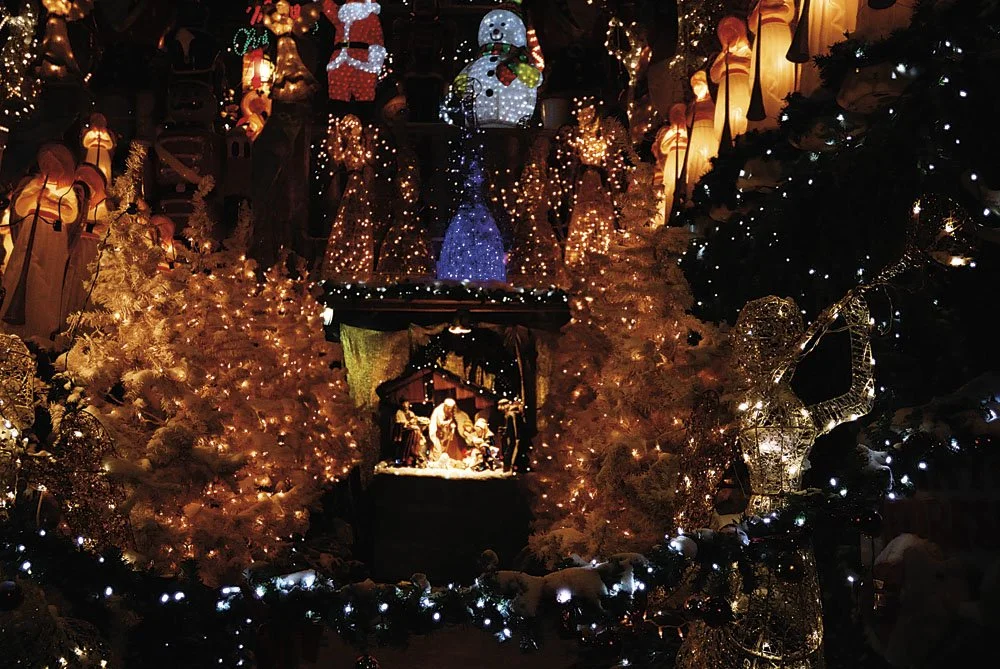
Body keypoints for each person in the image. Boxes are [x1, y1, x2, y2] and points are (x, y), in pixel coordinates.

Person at [428, 398, 472, 462]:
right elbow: (440, 424)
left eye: (451, 408)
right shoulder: (439, 412)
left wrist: (451, 424)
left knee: (443, 448)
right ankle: (435, 462)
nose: (449, 409)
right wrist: (449, 422)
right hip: (437, 431)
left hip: (444, 432)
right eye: (448, 408)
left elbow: (451, 417)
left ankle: (441, 462)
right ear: (445, 406)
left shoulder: (451, 410)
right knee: (437, 448)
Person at [393, 399, 427, 466]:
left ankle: (413, 455)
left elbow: (414, 420)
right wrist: (407, 423)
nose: (405, 405)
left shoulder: (411, 413)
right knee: (401, 449)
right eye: (404, 404)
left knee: (416, 431)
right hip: (403, 434)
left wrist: (415, 421)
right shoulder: (399, 413)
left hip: (411, 433)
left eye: (407, 403)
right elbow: (399, 423)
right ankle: (398, 462)